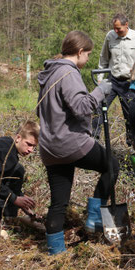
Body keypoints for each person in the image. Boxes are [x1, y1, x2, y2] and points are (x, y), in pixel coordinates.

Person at [37, 30, 118, 255]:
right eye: (88, 54)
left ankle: (56, 255)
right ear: (80, 52)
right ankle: (94, 218)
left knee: (58, 204)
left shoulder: (49, 72)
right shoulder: (68, 73)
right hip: (70, 143)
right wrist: (101, 91)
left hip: (50, 147)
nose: (88, 59)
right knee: (111, 165)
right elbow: (82, 106)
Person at [92, 13, 135, 146]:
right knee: (98, 106)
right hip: (112, 79)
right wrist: (100, 78)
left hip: (130, 82)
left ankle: (132, 143)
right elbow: (103, 58)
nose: (116, 31)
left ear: (126, 25)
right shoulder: (110, 36)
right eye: (114, 28)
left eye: (119, 29)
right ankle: (93, 139)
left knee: (131, 114)